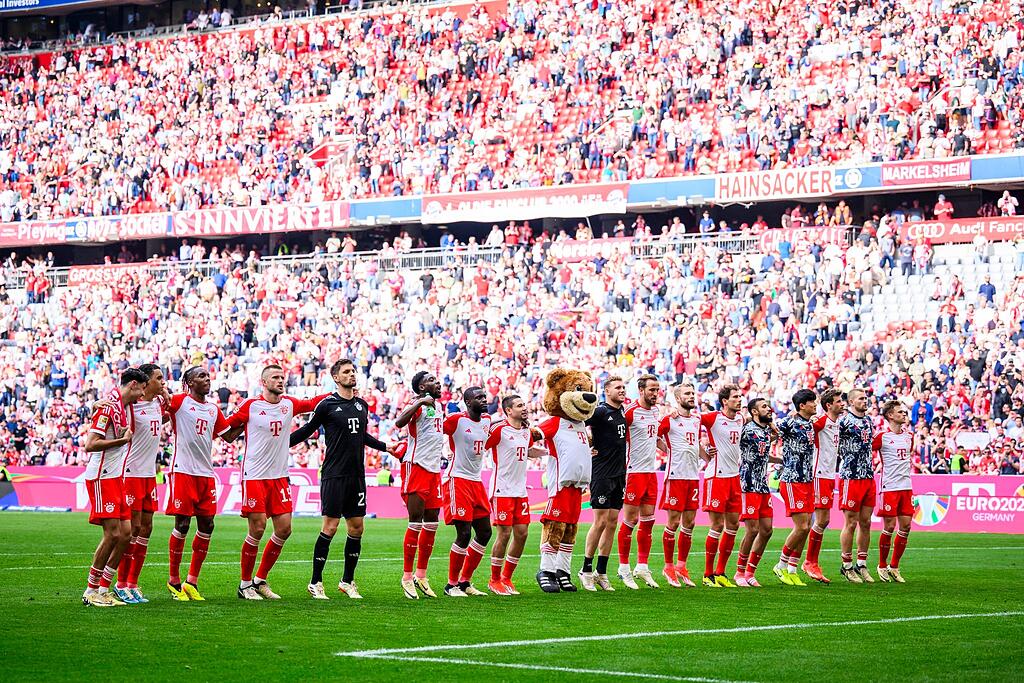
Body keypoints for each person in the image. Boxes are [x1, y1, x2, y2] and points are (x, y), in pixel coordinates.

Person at [288, 359, 398, 600]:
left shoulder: (361, 405)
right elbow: (307, 430)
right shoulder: (326, 405)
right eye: (346, 372)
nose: (352, 374)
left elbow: (362, 436)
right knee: (330, 527)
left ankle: (347, 581)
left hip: (356, 475)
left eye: (353, 371)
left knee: (357, 527)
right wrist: (281, 443)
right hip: (334, 474)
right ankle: (315, 582)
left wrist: (386, 447)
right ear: (336, 378)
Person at [225, 365, 326, 600]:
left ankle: (259, 580)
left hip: (279, 476)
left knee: (284, 529)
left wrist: (335, 393)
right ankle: (244, 585)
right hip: (254, 476)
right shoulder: (251, 405)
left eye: (282, 377)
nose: (281, 381)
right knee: (258, 528)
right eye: (275, 377)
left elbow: (311, 403)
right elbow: (226, 428)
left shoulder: (288, 404)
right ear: (263, 382)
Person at [164, 366, 239, 601]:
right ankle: (173, 580)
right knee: (183, 524)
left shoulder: (213, 409)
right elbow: (161, 406)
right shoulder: (179, 401)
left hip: (206, 473)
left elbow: (228, 436)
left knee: (207, 525)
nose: (207, 379)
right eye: (201, 376)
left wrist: (247, 417)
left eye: (208, 376)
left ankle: (191, 582)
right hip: (183, 471)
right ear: (189, 382)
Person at [81, 368, 148, 607]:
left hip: (116, 477)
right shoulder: (109, 407)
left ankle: (103, 588)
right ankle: (91, 591)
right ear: (133, 384)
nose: (143, 395)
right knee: (112, 534)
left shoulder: (124, 406)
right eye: (142, 389)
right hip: (102, 476)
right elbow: (90, 444)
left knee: (126, 534)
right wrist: (122, 440)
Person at [113, 364, 171, 604]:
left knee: (147, 528)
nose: (163, 382)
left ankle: (133, 583)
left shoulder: (157, 404)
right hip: (131, 474)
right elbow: (111, 403)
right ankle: (120, 583)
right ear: (146, 382)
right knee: (133, 528)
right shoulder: (130, 406)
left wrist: (165, 396)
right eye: (159, 378)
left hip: (149, 475)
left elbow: (166, 415)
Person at [485, 394, 545, 595]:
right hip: (502, 489)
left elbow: (527, 451)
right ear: (508, 411)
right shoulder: (498, 429)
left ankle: (507, 578)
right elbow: (480, 445)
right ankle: (494, 580)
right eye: (519, 406)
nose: (524, 408)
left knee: (522, 533)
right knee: (504, 533)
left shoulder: (527, 431)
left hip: (520, 490)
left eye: (524, 405)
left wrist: (548, 453)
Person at [393, 371, 445, 599]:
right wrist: (419, 402)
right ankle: (406, 576)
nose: (438, 382)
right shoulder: (417, 405)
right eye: (432, 380)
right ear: (422, 387)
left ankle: (421, 575)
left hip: (434, 471)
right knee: (415, 522)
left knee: (432, 523)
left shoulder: (439, 407)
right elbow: (399, 422)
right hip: (416, 467)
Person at [440, 386, 493, 597]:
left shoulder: (487, 420)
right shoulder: (456, 420)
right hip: (457, 479)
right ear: (468, 402)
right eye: (479, 397)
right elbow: (434, 430)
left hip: (476, 481)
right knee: (464, 533)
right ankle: (451, 585)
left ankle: (464, 582)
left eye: (484, 396)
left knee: (485, 532)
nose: (484, 400)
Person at [579, 376, 627, 592]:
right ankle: (586, 570)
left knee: (612, 522)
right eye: (618, 387)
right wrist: (586, 447)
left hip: (619, 474)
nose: (622, 390)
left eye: (623, 387)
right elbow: (577, 425)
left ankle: (601, 572)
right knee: (600, 522)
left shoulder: (622, 411)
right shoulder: (599, 411)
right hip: (601, 474)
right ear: (607, 391)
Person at [617, 374, 662, 588]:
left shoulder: (655, 411)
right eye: (651, 390)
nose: (655, 394)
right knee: (630, 520)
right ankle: (623, 568)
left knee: (649, 520)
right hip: (633, 473)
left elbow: (656, 439)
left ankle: (642, 567)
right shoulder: (630, 412)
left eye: (657, 390)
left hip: (650, 473)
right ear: (641, 390)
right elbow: (616, 438)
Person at [657, 383, 703, 588]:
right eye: (687, 394)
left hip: (693, 477)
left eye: (693, 393)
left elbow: (696, 444)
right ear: (677, 399)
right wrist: (668, 450)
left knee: (690, 523)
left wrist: (707, 456)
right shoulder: (669, 420)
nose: (692, 396)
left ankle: (681, 567)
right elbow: (653, 436)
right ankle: (668, 566)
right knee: (673, 523)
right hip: (675, 476)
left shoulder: (696, 420)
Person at [699, 384, 745, 588]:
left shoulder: (741, 418)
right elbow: (691, 421)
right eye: (735, 397)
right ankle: (707, 574)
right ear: (725, 401)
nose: (739, 399)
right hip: (716, 477)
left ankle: (720, 573)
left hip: (734, 477)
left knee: (733, 525)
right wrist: (703, 447)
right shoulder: (713, 418)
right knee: (717, 525)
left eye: (740, 396)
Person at [773, 389, 818, 587]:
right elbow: (770, 430)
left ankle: (792, 569)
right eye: (812, 402)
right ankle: (781, 565)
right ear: (802, 405)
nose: (815, 405)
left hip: (807, 479)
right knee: (802, 526)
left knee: (807, 527)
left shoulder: (811, 424)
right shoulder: (788, 423)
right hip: (792, 480)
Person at [735, 397, 780, 587]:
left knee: (767, 530)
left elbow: (762, 453)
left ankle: (750, 572)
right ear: (754, 411)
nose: (768, 409)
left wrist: (779, 460)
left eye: (768, 406)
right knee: (752, 530)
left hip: (762, 485)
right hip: (748, 485)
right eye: (764, 407)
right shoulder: (746, 430)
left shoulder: (764, 431)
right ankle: (739, 572)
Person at [837, 388, 876, 584]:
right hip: (850, 476)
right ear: (851, 402)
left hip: (868, 475)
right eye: (861, 398)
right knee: (850, 522)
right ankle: (846, 566)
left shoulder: (869, 420)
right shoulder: (843, 422)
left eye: (866, 398)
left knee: (866, 522)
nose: (865, 401)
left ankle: (862, 564)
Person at [805, 388, 844, 583]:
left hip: (829, 475)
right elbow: (804, 431)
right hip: (818, 474)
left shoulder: (837, 424)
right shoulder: (820, 422)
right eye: (838, 401)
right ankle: (809, 562)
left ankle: (808, 562)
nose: (842, 404)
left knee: (822, 521)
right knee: (820, 520)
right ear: (829, 405)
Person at [874, 400, 914, 584]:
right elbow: (867, 451)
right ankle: (882, 565)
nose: (904, 414)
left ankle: (894, 566)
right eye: (900, 412)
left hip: (906, 487)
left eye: (904, 412)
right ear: (890, 415)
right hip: (889, 487)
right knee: (889, 527)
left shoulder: (909, 436)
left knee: (906, 526)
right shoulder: (881, 436)